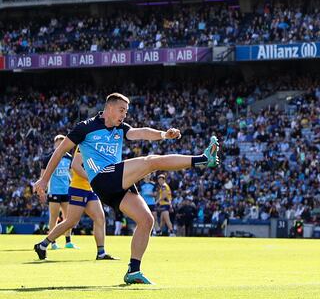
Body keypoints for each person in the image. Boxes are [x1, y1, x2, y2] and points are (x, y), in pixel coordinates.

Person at [33, 93, 220, 284]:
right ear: (109, 109)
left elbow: (140, 132)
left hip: (114, 183)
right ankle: (202, 160)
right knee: (151, 162)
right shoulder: (85, 128)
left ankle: (133, 270)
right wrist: (43, 180)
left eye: (126, 111)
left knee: (146, 220)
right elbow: (60, 151)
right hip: (102, 178)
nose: (124, 115)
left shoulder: (120, 128)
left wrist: (163, 134)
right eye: (122, 110)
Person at [39, 135, 75, 250]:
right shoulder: (48, 158)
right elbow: (43, 176)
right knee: (53, 217)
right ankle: (53, 242)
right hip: (54, 191)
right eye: (58, 143)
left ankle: (68, 241)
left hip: (66, 191)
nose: (60, 145)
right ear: (55, 144)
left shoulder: (69, 158)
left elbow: (72, 174)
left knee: (68, 218)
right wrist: (42, 191)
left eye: (62, 142)